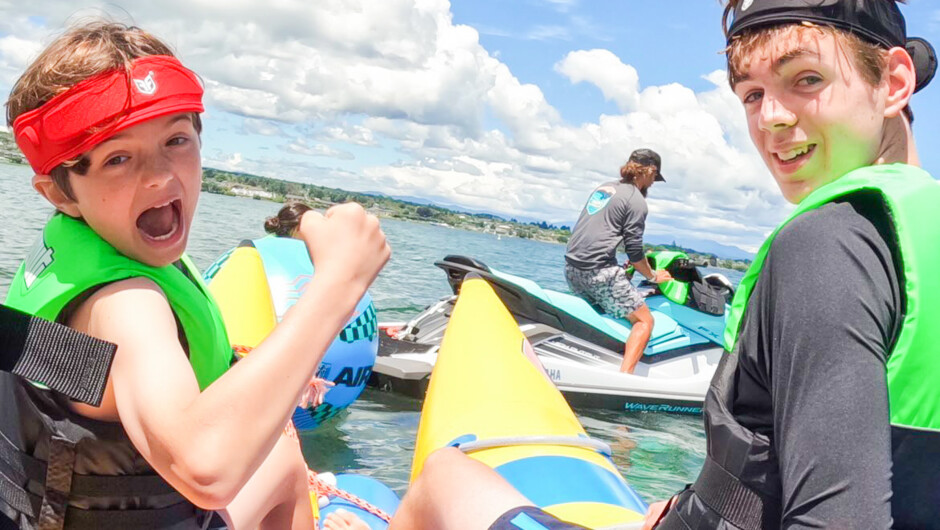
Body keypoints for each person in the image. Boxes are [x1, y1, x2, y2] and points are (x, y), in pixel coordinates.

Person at [2, 21, 389, 529]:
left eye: (177, 140)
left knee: (281, 453)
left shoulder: (93, 247)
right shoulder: (125, 303)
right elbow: (204, 467)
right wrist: (339, 284)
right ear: (60, 193)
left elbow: (117, 378)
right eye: (119, 158)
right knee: (423, 472)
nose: (162, 175)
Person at [646, 1, 940, 528]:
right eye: (752, 95)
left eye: (806, 78)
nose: (770, 119)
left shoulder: (828, 244)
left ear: (894, 82)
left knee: (448, 472)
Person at [564, 149, 673, 373]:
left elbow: (599, 233)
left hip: (572, 269)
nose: (653, 183)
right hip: (598, 274)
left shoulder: (605, 188)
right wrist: (653, 276)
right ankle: (625, 378)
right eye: (654, 177)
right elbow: (634, 252)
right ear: (650, 170)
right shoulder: (637, 201)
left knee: (604, 311)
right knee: (645, 321)